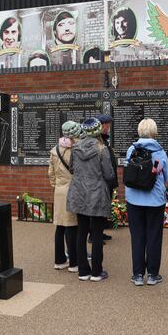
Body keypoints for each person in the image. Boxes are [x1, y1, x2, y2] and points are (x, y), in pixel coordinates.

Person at [66, 118, 115, 282]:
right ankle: (96, 272)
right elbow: (109, 174)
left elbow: (72, 169)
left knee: (81, 232)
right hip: (97, 194)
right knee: (97, 234)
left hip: (79, 193)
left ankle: (83, 271)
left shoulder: (75, 148)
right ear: (97, 131)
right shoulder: (102, 149)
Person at [125, 118, 168, 286]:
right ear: (154, 131)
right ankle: (152, 274)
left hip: (134, 200)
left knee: (137, 236)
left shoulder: (131, 149)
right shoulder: (160, 151)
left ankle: (137, 275)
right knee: (154, 237)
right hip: (155, 201)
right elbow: (167, 176)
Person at [48, 121, 81, 274]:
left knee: (59, 227)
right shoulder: (76, 149)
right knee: (71, 226)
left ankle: (59, 260)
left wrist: (57, 186)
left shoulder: (54, 150)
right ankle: (74, 263)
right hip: (72, 190)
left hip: (59, 191)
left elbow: (51, 173)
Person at [97, 113, 117, 242]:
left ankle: (100, 232)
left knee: (104, 209)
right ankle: (95, 235)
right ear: (102, 126)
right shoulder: (98, 141)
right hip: (102, 182)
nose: (108, 127)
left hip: (107, 181)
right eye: (107, 125)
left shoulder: (104, 139)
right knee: (99, 210)